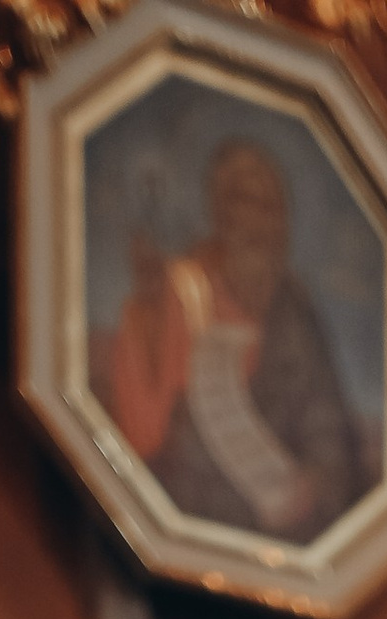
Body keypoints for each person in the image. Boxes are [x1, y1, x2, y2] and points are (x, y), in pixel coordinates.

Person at [103, 137, 367, 542]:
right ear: (220, 212)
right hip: (190, 526)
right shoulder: (182, 291)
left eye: (274, 207)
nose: (264, 222)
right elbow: (148, 435)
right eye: (247, 202)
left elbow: (325, 419)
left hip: (292, 534)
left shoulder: (293, 307)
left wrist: (318, 481)